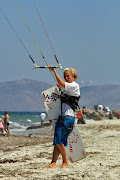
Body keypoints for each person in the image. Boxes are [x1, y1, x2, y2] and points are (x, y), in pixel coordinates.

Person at [46, 66, 80, 168]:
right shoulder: (69, 89)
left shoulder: (74, 85)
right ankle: (53, 162)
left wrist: (54, 71)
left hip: (67, 118)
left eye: (68, 76)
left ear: (73, 76)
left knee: (58, 140)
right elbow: (62, 87)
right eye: (64, 76)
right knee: (59, 141)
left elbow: (62, 83)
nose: (66, 78)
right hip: (67, 118)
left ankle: (65, 161)